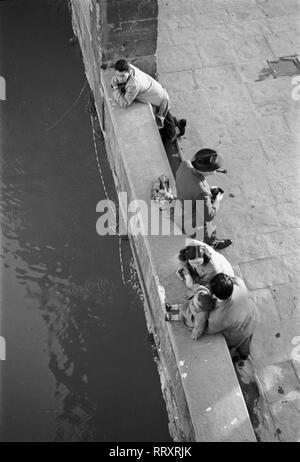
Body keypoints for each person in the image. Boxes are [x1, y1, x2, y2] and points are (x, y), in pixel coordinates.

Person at [111, 58, 186, 142]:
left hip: (161, 100)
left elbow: (124, 103)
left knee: (169, 135)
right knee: (166, 119)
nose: (119, 79)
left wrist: (116, 88)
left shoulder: (134, 85)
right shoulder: (130, 67)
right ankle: (179, 123)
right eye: (117, 75)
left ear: (128, 72)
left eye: (122, 76)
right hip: (157, 93)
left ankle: (177, 129)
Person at [175, 148, 232, 250]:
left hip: (179, 206)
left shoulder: (185, 164)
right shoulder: (202, 192)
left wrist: (207, 191)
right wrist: (216, 201)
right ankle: (212, 243)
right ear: (209, 172)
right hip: (191, 219)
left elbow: (189, 184)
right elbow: (209, 216)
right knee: (206, 228)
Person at [207, 273, 258, 360]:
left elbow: (208, 330)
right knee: (247, 339)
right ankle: (245, 355)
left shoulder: (218, 317)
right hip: (253, 316)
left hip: (239, 333)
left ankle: (242, 355)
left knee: (240, 343)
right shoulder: (239, 283)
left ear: (214, 295)